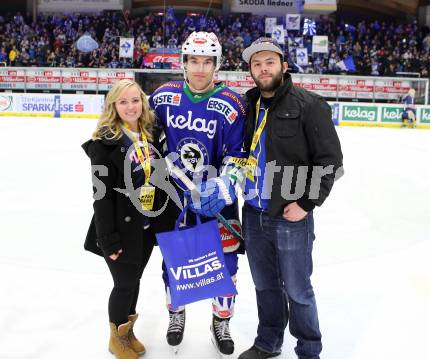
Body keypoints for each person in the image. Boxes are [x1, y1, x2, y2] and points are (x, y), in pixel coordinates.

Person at [189, 37, 344, 359]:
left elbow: (330, 162)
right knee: (266, 287)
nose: (263, 68)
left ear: (284, 66)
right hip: (254, 212)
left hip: (290, 215)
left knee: (298, 290)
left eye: (269, 62)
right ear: (251, 71)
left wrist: (306, 203)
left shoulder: (309, 105)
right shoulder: (248, 105)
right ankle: (269, 343)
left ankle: (309, 350)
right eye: (256, 64)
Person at [147, 31, 246, 355]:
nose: (200, 68)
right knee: (174, 262)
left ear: (216, 64)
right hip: (175, 201)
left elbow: (238, 155)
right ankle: (177, 314)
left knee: (226, 264)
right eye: (193, 61)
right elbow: (143, 137)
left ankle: (221, 321)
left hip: (216, 202)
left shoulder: (232, 104)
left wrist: (224, 184)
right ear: (184, 62)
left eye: (207, 61)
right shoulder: (163, 96)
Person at [82, 79, 160, 359]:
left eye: (135, 100)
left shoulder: (150, 134)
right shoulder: (103, 145)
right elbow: (101, 198)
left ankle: (127, 332)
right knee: (124, 283)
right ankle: (116, 338)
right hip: (119, 229)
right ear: (113, 105)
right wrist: (108, 240)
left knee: (135, 280)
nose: (130, 106)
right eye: (123, 101)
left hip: (145, 227)